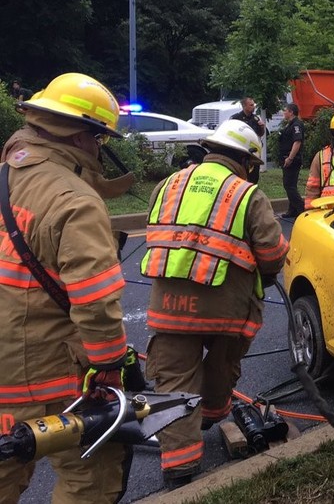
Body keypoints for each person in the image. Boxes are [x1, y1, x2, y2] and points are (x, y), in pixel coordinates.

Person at [0, 73, 133, 503]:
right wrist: (109, 366)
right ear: (80, 136)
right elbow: (95, 301)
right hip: (48, 375)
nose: (99, 148)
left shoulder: (6, 174)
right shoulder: (75, 201)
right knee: (91, 476)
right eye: (99, 138)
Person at [141, 119, 288, 489]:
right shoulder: (247, 195)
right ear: (247, 162)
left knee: (174, 383)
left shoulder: (168, 185)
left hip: (169, 306)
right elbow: (272, 253)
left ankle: (180, 469)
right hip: (226, 308)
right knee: (222, 363)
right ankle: (209, 411)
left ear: (210, 150)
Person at [230, 97, 267, 183]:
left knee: (254, 176)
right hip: (241, 151)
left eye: (254, 105)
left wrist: (262, 127)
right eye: (251, 105)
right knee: (241, 173)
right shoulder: (236, 118)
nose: (253, 107)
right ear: (244, 106)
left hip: (254, 152)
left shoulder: (255, 119)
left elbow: (260, 134)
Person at [278, 103, 305, 219]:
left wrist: (290, 158)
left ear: (291, 112)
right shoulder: (290, 124)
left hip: (292, 160)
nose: (284, 112)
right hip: (287, 158)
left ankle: (301, 209)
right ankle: (292, 210)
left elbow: (297, 142)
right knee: (290, 185)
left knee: (289, 186)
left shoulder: (296, 125)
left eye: (285, 110)